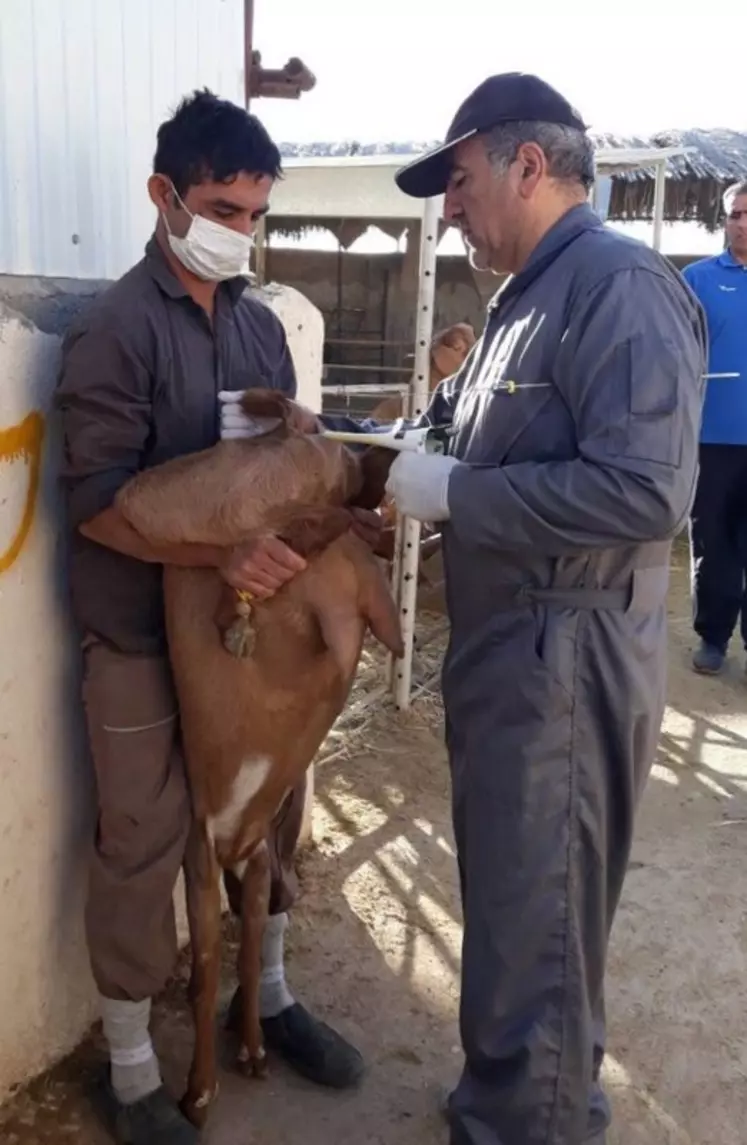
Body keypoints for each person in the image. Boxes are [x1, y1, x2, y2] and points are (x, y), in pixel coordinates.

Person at [379, 73, 706, 1145]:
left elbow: (647, 490)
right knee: (515, 908)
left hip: (565, 657)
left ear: (527, 163)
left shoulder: (620, 288)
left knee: (543, 918)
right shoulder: (524, 299)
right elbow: (453, 438)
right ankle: (504, 1096)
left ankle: (534, 1121)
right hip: (508, 651)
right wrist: (383, 452)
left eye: (461, 180)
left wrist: (458, 494)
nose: (450, 208)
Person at [55, 90, 376, 1145]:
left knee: (272, 810)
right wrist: (217, 550)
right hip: (142, 637)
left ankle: (269, 995)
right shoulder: (114, 332)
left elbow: (275, 477)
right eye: (222, 206)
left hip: (254, 633)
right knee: (144, 836)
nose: (240, 229)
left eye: (254, 212)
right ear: (164, 195)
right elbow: (99, 506)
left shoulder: (258, 329)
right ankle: (137, 1069)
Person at [681, 180, 747, 676]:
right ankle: (713, 637)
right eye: (735, 215)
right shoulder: (696, 280)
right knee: (713, 542)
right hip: (712, 439)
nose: (742, 223)